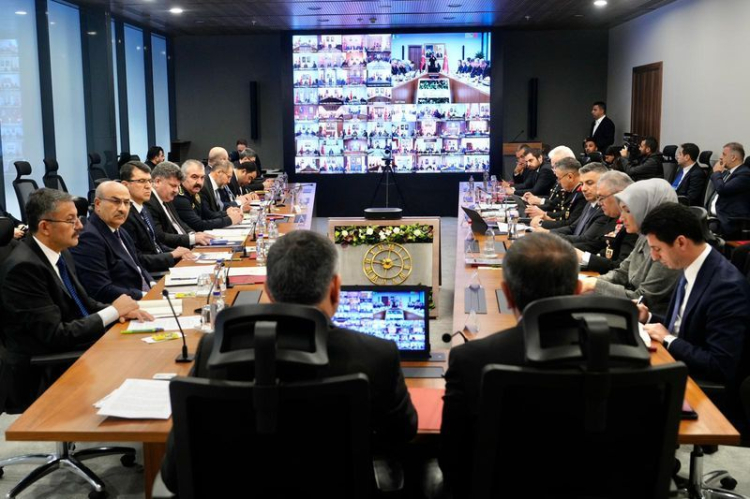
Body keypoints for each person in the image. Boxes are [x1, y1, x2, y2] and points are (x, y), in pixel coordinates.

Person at [160, 230, 418, 494]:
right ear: (335, 289)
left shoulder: (214, 349)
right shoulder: (376, 354)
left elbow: (173, 474)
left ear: (267, 291)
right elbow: (403, 434)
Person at [440, 233, 581, 498]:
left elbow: (451, 459)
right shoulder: (622, 354)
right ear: (579, 290)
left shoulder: (471, 359)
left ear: (506, 294)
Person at [0, 189, 151, 409]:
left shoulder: (61, 252)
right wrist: (113, 311)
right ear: (45, 227)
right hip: (43, 372)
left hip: (73, 348)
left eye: (78, 218)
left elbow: (85, 303)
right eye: (71, 220)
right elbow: (56, 334)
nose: (80, 226)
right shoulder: (24, 269)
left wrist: (121, 310)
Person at [638, 203, 750, 384]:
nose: (654, 257)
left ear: (681, 242)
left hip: (697, 384)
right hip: (675, 364)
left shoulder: (727, 288)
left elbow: (720, 365)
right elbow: (687, 327)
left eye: (657, 249)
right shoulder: (690, 264)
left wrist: (668, 339)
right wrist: (649, 317)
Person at [579, 179, 681, 315]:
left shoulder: (669, 247)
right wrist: (589, 282)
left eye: (627, 211)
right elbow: (621, 273)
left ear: (648, 209)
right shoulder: (643, 236)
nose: (621, 218)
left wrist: (595, 285)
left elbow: (643, 300)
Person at [70, 181, 154, 302]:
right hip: (125, 305)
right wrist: (145, 295)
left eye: (126, 203)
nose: (122, 209)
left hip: (146, 298)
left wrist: (153, 285)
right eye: (116, 202)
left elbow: (138, 267)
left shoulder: (120, 231)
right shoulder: (89, 237)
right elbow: (101, 289)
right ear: (98, 204)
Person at [120, 161, 195, 273]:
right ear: (125, 185)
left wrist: (179, 252)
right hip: (152, 273)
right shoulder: (125, 215)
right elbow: (136, 259)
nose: (148, 186)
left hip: (161, 266)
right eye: (141, 181)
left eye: (149, 181)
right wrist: (172, 255)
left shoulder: (143, 209)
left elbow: (156, 245)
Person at [577, 170, 638, 274]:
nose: (599, 203)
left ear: (620, 194)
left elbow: (621, 267)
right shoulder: (613, 218)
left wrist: (583, 257)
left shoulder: (634, 223)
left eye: (602, 198)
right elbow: (597, 244)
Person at [145, 162, 214, 249]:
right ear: (157, 181)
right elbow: (160, 236)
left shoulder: (166, 197)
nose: (177, 191)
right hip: (173, 251)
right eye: (173, 186)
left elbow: (179, 223)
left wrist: (193, 234)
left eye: (178, 186)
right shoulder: (149, 202)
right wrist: (192, 239)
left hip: (184, 247)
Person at [550, 162, 613, 249]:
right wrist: (548, 232)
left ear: (604, 184)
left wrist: (550, 237)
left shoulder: (605, 210)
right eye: (582, 184)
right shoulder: (589, 203)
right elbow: (572, 228)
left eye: (589, 183)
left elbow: (585, 240)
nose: (583, 189)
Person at [173, 159, 243, 231]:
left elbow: (207, 215)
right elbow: (198, 225)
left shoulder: (195, 193)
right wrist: (230, 220)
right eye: (194, 177)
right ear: (182, 177)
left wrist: (227, 213)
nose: (199, 182)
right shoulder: (180, 197)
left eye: (202, 177)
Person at [705, 142, 750, 238]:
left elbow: (722, 189)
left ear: (733, 158)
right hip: (714, 217)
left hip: (728, 221)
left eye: (724, 154)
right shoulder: (727, 173)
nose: (721, 157)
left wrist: (717, 172)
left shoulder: (745, 174)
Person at [528, 157, 585, 230]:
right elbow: (563, 214)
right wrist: (547, 217)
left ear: (570, 177)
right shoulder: (571, 190)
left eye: (559, 178)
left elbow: (570, 224)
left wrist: (541, 223)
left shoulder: (582, 194)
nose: (558, 182)